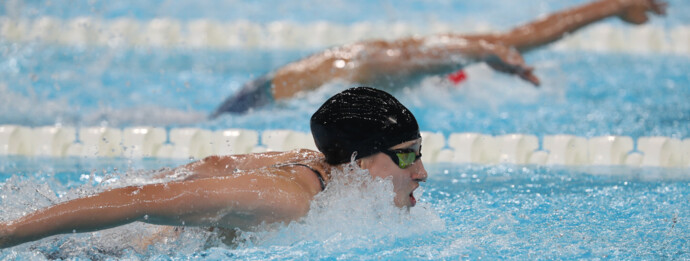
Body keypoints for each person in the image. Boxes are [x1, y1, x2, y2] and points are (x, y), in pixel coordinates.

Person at [0, 87, 427, 249]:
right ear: (358, 161)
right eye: (407, 155)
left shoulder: (317, 164)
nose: (421, 172)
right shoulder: (286, 199)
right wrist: (13, 232)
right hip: (112, 251)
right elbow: (142, 200)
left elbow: (213, 164)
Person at [211, 0, 667, 116]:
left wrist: (607, 8)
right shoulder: (373, 63)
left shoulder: (436, 54)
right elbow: (396, 56)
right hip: (256, 104)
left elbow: (520, 36)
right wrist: (483, 52)